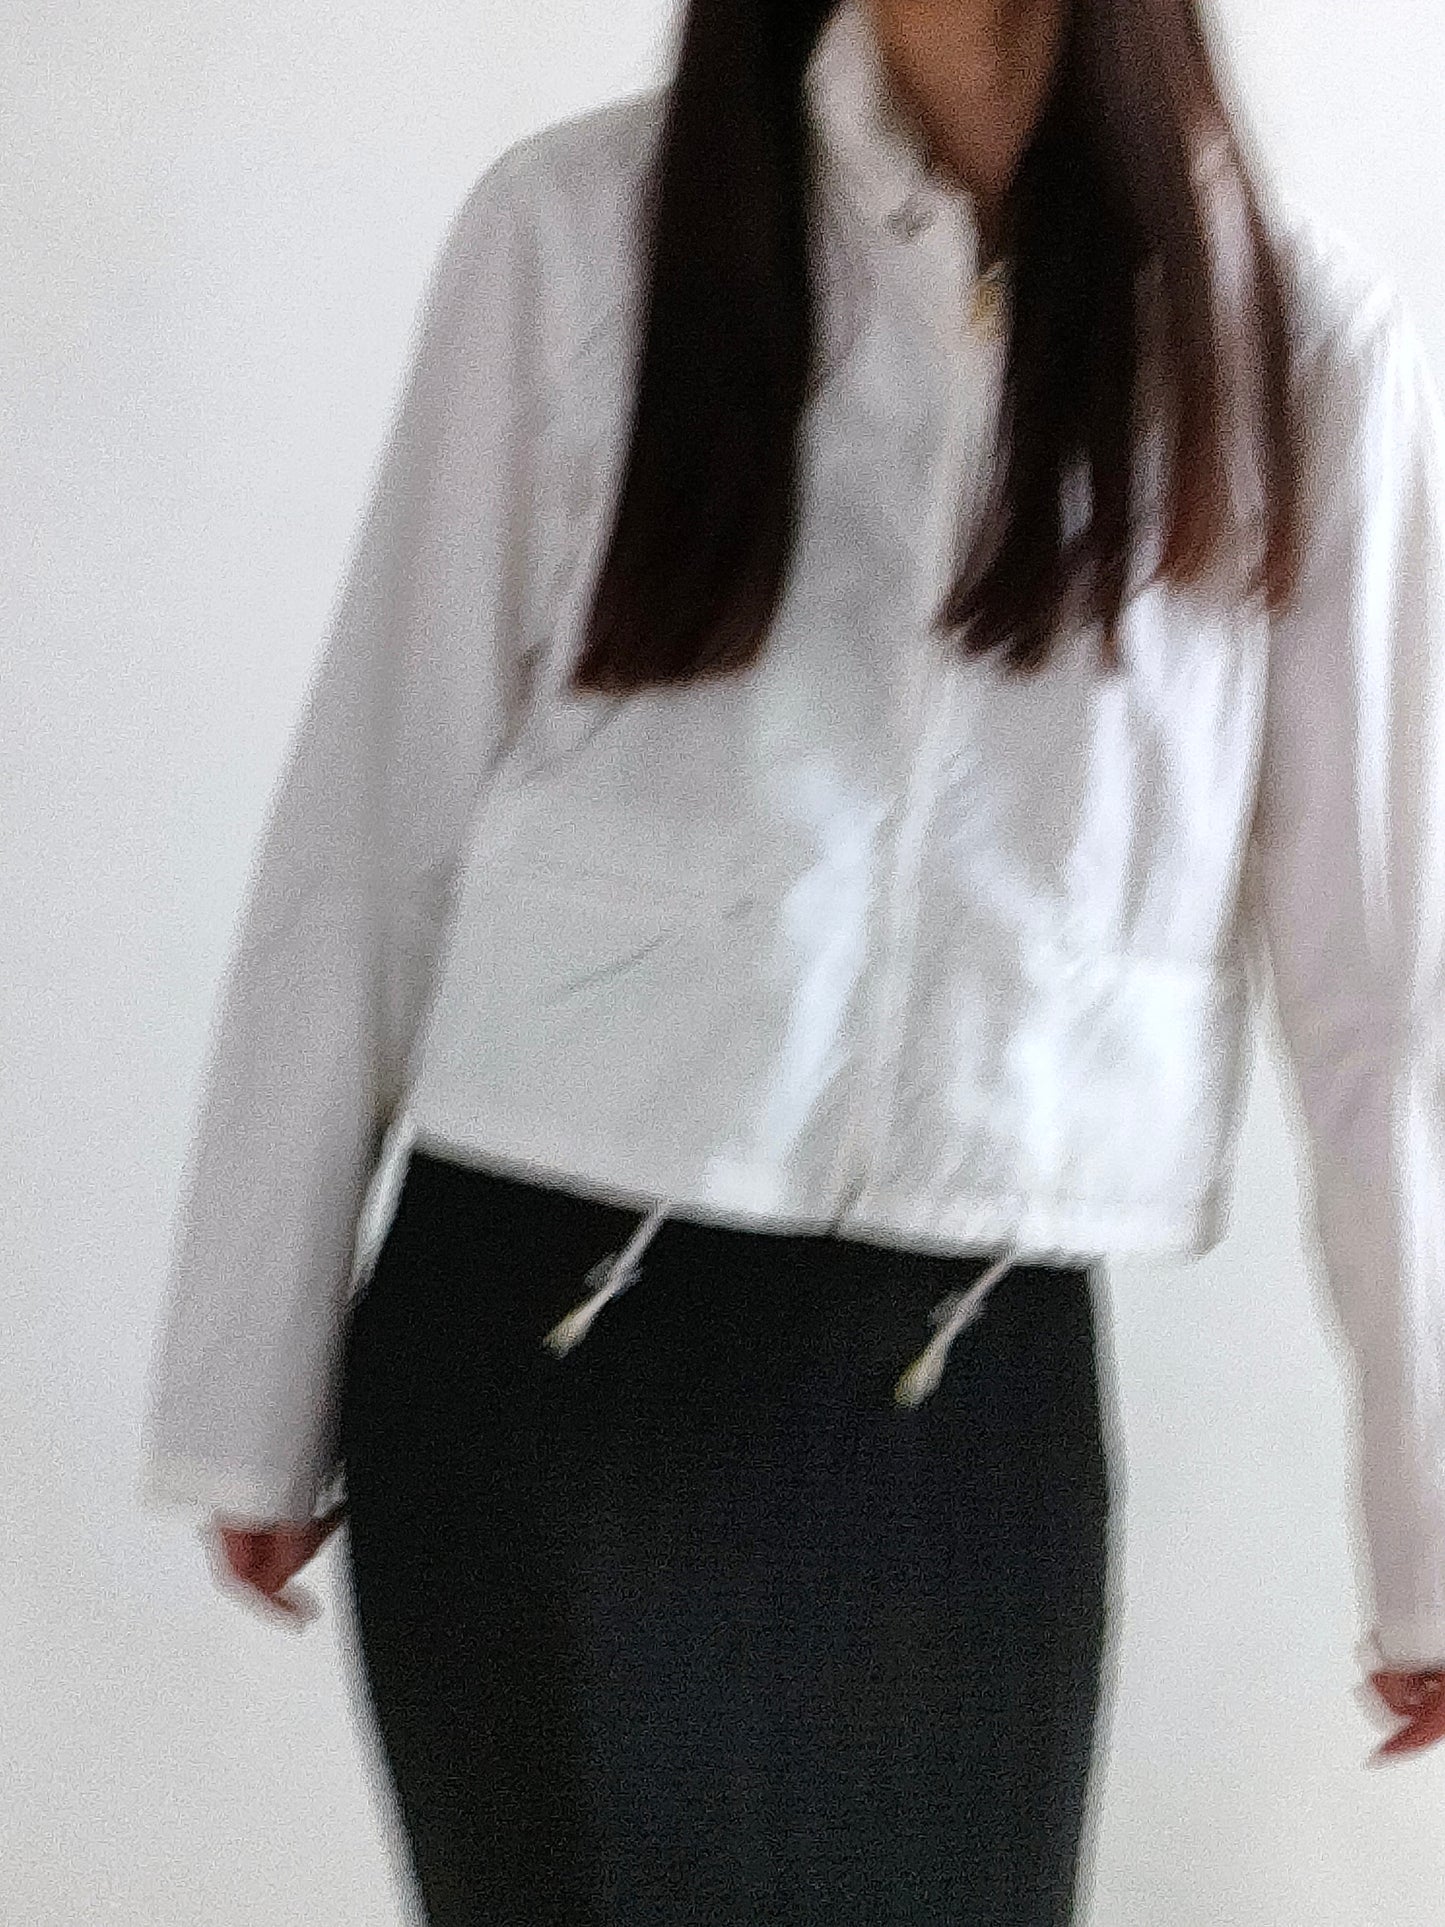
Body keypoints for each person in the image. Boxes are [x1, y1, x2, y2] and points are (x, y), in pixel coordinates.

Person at [140, 0, 1445, 1917]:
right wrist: (243, 1382)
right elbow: (371, 819)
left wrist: (1429, 1536)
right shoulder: (580, 231)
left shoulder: (1293, 345)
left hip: (954, 1373)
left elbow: (1382, 1006)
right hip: (539, 1333)